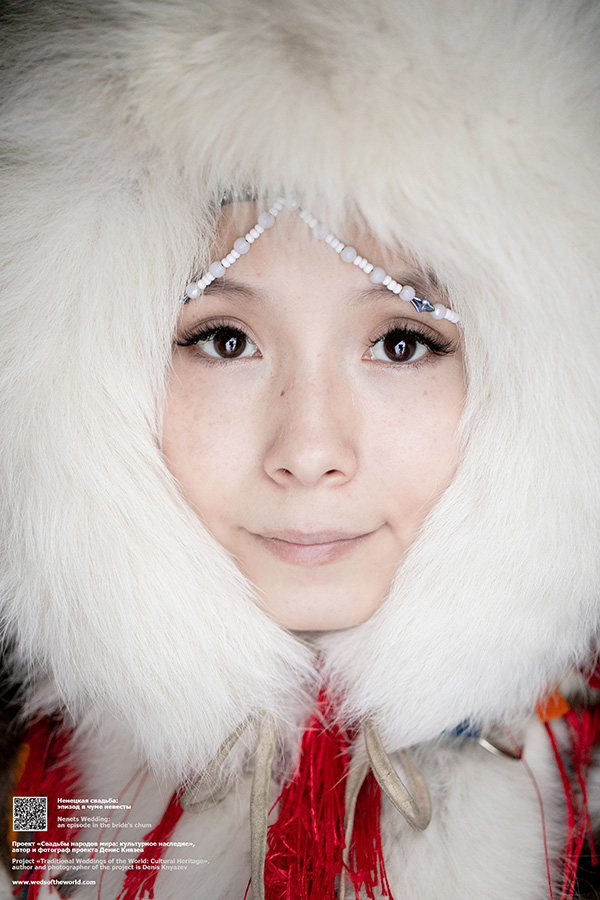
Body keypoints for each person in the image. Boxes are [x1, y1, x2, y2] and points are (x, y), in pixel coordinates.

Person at [0, 1, 598, 898]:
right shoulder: (34, 811)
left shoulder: (580, 813)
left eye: (402, 342)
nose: (310, 450)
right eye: (225, 340)